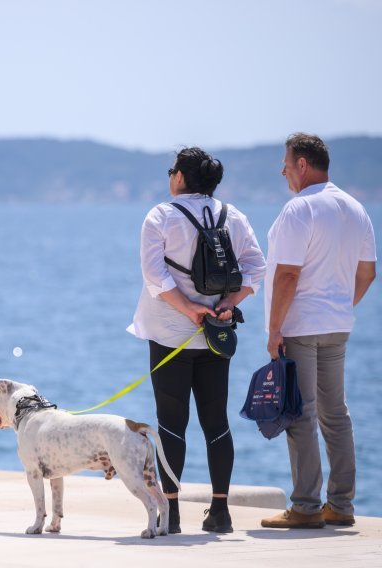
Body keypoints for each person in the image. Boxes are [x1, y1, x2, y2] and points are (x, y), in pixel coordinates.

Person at [129, 147, 266, 534]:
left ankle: (171, 514)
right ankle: (220, 511)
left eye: (172, 170)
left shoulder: (161, 216)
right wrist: (227, 303)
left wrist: (188, 308)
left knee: (171, 423)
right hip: (215, 335)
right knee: (216, 421)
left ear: (180, 177)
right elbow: (257, 266)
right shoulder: (232, 216)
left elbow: (155, 277)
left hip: (170, 335)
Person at [261, 133, 376, 529]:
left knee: (301, 415)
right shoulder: (356, 208)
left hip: (301, 326)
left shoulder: (300, 210)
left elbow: (288, 275)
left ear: (303, 165)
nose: (284, 170)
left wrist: (274, 329)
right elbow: (368, 271)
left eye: (287, 163)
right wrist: (341, 305)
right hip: (337, 326)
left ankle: (307, 507)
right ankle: (341, 505)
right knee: (336, 415)